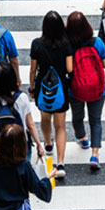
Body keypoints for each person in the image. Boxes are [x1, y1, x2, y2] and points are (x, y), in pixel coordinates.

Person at [29, 11, 72, 178]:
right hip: (60, 88)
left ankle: (48, 145)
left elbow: (33, 69)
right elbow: (70, 69)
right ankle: (60, 163)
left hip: (42, 87)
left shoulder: (37, 44)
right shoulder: (66, 44)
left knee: (45, 118)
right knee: (60, 126)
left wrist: (32, 88)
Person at [66, 11, 105, 172]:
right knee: (95, 120)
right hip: (97, 88)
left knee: (77, 116)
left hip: (76, 88)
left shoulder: (69, 44)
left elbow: (69, 68)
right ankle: (95, 155)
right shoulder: (96, 42)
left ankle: (83, 138)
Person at [0, 62, 45, 160]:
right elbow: (30, 125)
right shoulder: (22, 98)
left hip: (0, 146)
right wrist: (38, 144)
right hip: (21, 145)